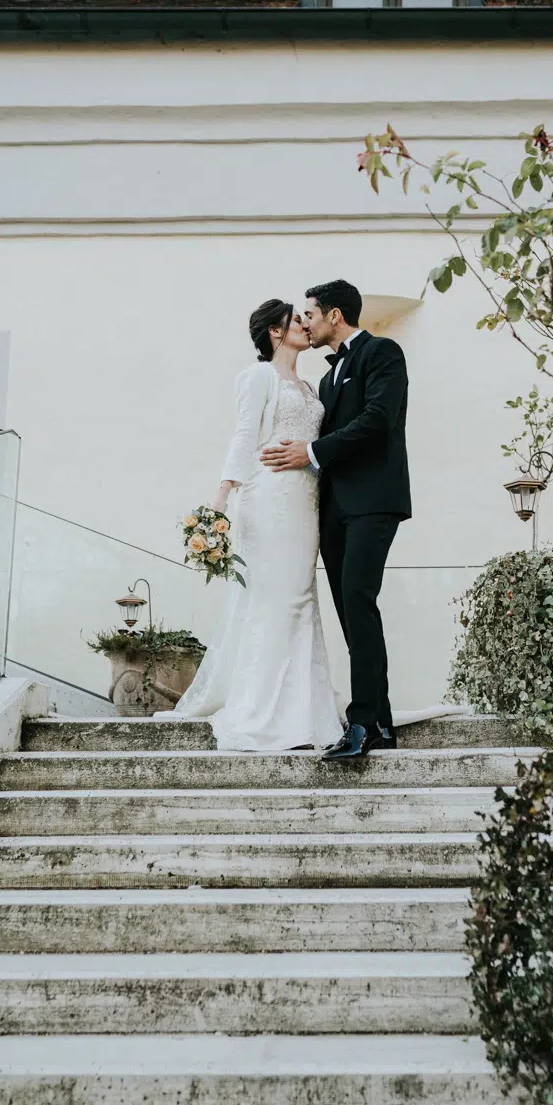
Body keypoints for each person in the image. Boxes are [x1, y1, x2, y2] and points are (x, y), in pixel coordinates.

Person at [158, 299, 341, 752]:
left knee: (300, 597)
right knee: (275, 598)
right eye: (295, 320)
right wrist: (220, 498)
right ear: (275, 333)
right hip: (270, 498)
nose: (304, 325)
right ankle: (263, 710)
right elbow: (244, 433)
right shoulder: (259, 376)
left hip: (306, 501)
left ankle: (303, 708)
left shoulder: (310, 386)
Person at [261, 279, 411, 762]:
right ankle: (381, 721)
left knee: (359, 601)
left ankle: (364, 722)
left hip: (373, 501)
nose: (303, 321)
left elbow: (377, 420)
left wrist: (310, 450)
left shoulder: (383, 353)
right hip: (335, 509)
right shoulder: (326, 380)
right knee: (351, 611)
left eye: (309, 313)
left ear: (334, 315)